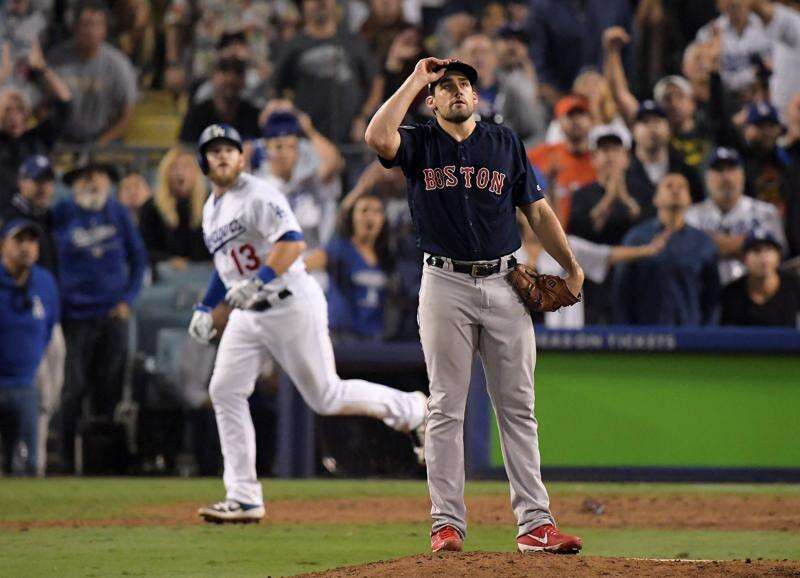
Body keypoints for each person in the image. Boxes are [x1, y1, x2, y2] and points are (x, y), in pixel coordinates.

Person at [366, 58, 584, 554]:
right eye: (447, 87)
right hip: (443, 282)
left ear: (476, 97)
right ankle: (446, 523)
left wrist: (569, 263)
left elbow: (536, 208)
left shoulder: (503, 142)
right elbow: (379, 138)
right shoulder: (419, 142)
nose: (459, 92)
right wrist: (417, 77)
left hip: (506, 281)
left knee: (518, 407)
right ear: (433, 100)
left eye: (465, 85)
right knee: (445, 405)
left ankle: (535, 524)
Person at [188, 124, 427, 523]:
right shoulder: (212, 209)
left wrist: (260, 280)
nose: (224, 156)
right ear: (204, 161)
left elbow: (293, 242)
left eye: (230, 148)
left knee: (325, 397)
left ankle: (411, 408)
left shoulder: (259, 194)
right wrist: (204, 305)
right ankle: (244, 496)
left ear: (242, 157)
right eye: (215, 151)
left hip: (289, 302)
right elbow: (225, 265)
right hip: (250, 313)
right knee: (225, 389)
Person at [53, 161, 148, 473]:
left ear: (107, 182)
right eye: (83, 179)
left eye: (97, 177)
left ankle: (102, 464)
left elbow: (139, 260)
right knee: (73, 389)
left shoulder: (118, 213)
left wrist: (128, 300)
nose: (91, 184)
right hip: (75, 318)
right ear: (74, 184)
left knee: (109, 390)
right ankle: (68, 462)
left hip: (112, 316)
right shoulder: (63, 214)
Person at [613, 173, 720, 325]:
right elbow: (622, 293)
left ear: (689, 199)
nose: (675, 191)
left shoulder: (703, 243)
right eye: (668, 186)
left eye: (682, 187)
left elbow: (712, 298)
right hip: (645, 337)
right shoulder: (636, 239)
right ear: (655, 198)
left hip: (690, 337)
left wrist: (706, 334)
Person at [272, 0, 382, 143]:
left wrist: (365, 117)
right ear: (303, 5)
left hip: (353, 138)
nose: (321, 3)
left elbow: (376, 82)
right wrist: (295, 117)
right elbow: (276, 88)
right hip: (309, 140)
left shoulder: (354, 41)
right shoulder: (293, 45)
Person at [0, 218, 58, 476]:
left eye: (32, 241)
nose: (26, 247)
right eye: (19, 240)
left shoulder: (44, 281)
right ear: (3, 245)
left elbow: (48, 332)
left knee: (33, 464)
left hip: (27, 385)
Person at [685, 146, 787, 284]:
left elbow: (774, 256)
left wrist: (710, 242)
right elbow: (689, 255)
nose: (726, 177)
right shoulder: (690, 215)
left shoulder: (766, 212)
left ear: (742, 174)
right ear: (706, 176)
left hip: (752, 296)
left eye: (731, 169)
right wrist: (749, 244)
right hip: (705, 295)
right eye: (719, 170)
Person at [46, 0, 138, 144]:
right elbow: (42, 105)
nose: (90, 31)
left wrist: (101, 143)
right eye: (86, 24)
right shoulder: (55, 59)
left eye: (97, 25)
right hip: (62, 139)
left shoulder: (119, 64)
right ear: (75, 27)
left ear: (105, 30)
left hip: (105, 138)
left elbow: (128, 113)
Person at [253, 107, 343, 252]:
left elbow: (333, 162)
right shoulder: (257, 186)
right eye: (278, 147)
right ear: (266, 149)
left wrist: (309, 130)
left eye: (291, 147)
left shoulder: (308, 182)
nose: (285, 153)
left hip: (313, 262)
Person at [306, 193, 392, 341]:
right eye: (364, 210)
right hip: (342, 337)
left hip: (375, 337)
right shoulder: (339, 248)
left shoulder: (387, 256)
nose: (370, 216)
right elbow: (303, 266)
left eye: (377, 211)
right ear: (352, 217)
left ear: (383, 219)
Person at [137, 147, 210, 270]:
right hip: (166, 272)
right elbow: (144, 247)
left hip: (202, 271)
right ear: (165, 173)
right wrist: (168, 260)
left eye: (186, 167)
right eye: (174, 167)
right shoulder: (151, 206)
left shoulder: (210, 204)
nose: (180, 172)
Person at [527, 94, 596, 223]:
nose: (576, 121)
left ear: (591, 120)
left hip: (589, 232)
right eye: (570, 116)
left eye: (581, 114)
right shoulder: (543, 154)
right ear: (558, 122)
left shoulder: (600, 159)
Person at [721, 230, 800, 326]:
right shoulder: (731, 293)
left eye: (769, 250)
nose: (763, 258)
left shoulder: (794, 285)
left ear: (778, 256)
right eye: (756, 250)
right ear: (743, 258)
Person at [178, 57, 262, 145]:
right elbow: (184, 150)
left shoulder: (253, 115)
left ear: (244, 80)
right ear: (212, 78)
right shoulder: (196, 115)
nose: (231, 78)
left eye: (238, 72)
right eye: (224, 71)